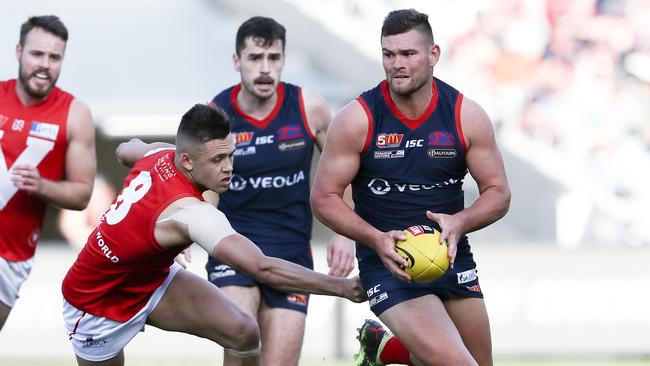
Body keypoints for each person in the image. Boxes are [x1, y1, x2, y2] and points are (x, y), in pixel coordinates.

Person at [61, 103, 364, 365]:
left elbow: (125, 149)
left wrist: (154, 237)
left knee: (243, 332)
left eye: (230, 155)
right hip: (95, 303)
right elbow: (262, 267)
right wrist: (342, 287)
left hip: (150, 280)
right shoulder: (192, 213)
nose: (229, 168)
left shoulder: (161, 155)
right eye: (218, 160)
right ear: (187, 160)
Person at [311, 9, 511, 366]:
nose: (396, 64)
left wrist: (460, 222)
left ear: (433, 55)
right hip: (388, 263)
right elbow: (323, 198)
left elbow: (498, 192)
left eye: (408, 54)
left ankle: (383, 349)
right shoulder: (357, 118)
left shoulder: (466, 115)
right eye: (389, 54)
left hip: (450, 256)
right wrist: (375, 239)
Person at [204, 16, 355, 366]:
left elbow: (344, 173)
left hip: (291, 253)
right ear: (236, 61)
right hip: (234, 248)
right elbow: (199, 185)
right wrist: (182, 236)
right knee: (241, 338)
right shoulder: (217, 112)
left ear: (284, 60)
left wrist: (344, 235)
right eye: (255, 58)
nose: (265, 69)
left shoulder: (309, 107)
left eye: (274, 58)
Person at [0, 15, 96, 331]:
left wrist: (40, 185)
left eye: (54, 57)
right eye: (37, 54)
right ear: (18, 51)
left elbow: (82, 194)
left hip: (10, 256)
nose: (45, 64)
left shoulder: (75, 114)